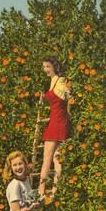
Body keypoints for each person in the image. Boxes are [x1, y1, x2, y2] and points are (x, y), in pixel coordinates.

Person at [39, 57, 72, 198]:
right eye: (44, 67)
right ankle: (54, 191)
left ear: (54, 66)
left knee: (48, 157)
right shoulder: (53, 81)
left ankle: (41, 191)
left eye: (48, 66)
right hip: (58, 120)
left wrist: (66, 94)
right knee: (56, 158)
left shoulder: (61, 80)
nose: (46, 69)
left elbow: (67, 96)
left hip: (58, 121)